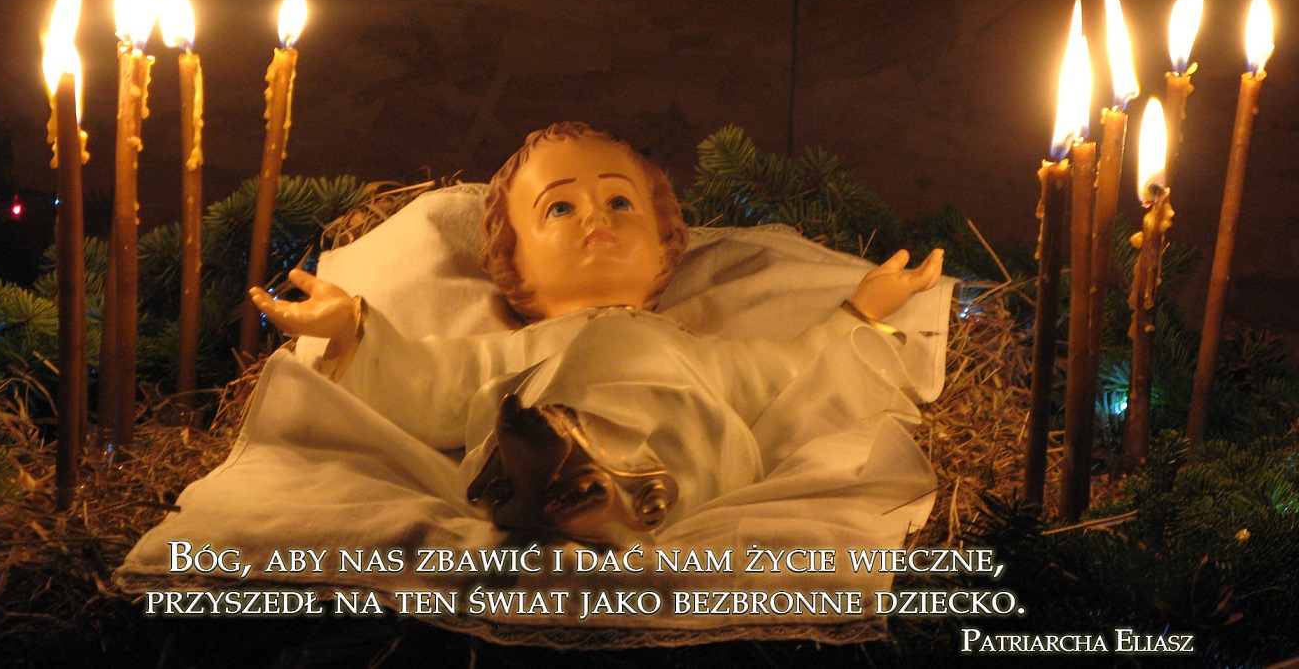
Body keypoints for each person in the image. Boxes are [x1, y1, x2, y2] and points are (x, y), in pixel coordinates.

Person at [249, 121, 943, 547]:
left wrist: (861, 312)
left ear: (666, 241)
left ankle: (585, 478)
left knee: (638, 369)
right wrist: (352, 328)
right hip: (544, 437)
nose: (596, 218)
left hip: (687, 461)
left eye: (618, 200)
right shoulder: (517, 352)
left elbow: (794, 374)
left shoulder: (694, 352)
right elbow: (428, 383)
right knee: (531, 398)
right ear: (511, 259)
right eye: (560, 208)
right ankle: (568, 475)